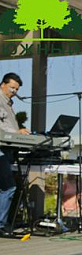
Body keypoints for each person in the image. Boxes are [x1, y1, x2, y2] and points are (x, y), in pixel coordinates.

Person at [0, 72, 29, 236]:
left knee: (5, 187)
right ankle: (1, 225)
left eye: (16, 89)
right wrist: (17, 132)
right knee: (9, 187)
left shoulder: (8, 102)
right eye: (12, 88)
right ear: (2, 84)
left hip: (7, 148)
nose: (14, 92)